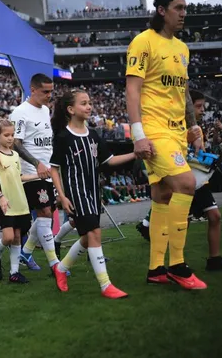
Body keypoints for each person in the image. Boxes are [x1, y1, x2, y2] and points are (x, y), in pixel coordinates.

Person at [125, 0, 207, 290]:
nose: (184, 13)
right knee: (186, 184)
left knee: (162, 196)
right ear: (162, 10)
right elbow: (132, 90)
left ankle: (156, 269)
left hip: (177, 131)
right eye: (178, 8)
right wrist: (138, 135)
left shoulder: (183, 49)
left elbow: (183, 92)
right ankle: (178, 265)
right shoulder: (143, 41)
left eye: (185, 8)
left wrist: (194, 127)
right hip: (154, 129)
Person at [137, 91, 222, 270]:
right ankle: (175, 262)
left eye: (201, 106)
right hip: (184, 180)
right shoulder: (173, 127)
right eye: (197, 106)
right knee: (183, 219)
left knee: (214, 216)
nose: (201, 110)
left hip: (198, 180)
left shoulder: (194, 127)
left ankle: (213, 259)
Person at [50, 90, 131, 298]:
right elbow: (54, 168)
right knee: (95, 234)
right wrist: (62, 196)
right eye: (84, 103)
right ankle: (106, 285)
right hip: (76, 193)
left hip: (93, 192)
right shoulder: (63, 137)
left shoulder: (94, 135)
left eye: (90, 103)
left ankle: (60, 269)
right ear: (70, 109)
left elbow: (109, 161)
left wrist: (135, 154)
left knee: (88, 237)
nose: (89, 107)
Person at [9, 73, 60, 274]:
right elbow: (16, 143)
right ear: (33, 89)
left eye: (51, 91)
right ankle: (55, 264)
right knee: (44, 212)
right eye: (45, 91)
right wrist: (36, 163)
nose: (49, 95)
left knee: (46, 214)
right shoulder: (20, 112)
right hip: (31, 173)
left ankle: (26, 252)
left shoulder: (46, 110)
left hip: (47, 171)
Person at [0, 119, 31, 284]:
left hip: (18, 200)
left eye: (12, 135)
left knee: (17, 236)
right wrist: (0, 196)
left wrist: (37, 175)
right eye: (7, 135)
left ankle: (14, 273)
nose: (11, 138)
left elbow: (20, 177)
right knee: (8, 236)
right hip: (3, 201)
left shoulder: (16, 155)